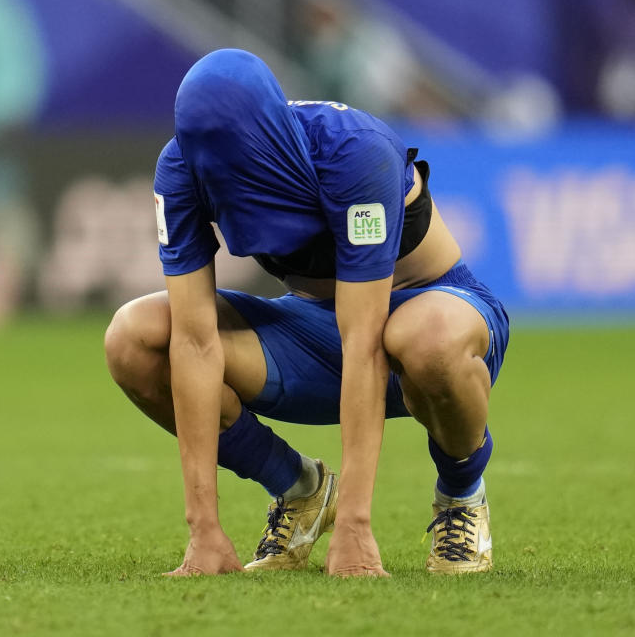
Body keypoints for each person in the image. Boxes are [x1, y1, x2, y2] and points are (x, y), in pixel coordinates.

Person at [104, 49, 509, 577]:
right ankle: (300, 489)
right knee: (134, 338)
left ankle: (461, 497)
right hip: (313, 330)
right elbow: (195, 341)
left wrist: (356, 529)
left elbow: (365, 337)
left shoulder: (354, 152)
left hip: (434, 316)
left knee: (423, 338)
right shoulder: (181, 169)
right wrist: (202, 531)